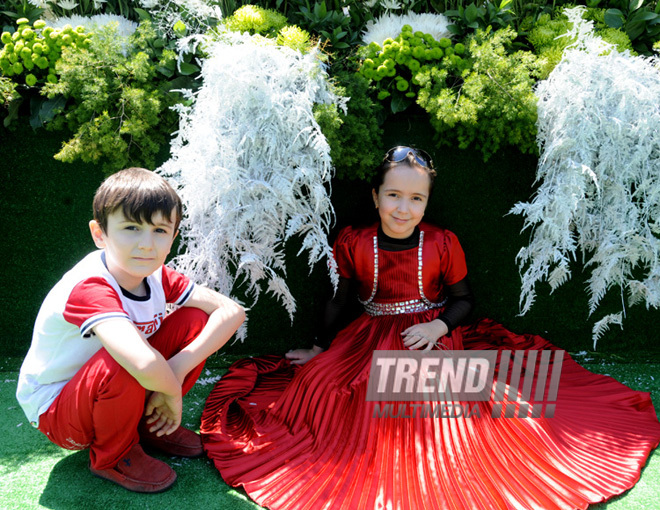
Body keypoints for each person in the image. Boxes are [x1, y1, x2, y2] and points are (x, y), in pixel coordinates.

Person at [200, 148, 660, 509]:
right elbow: (339, 299)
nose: (404, 208)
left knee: (428, 404)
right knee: (325, 389)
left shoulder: (442, 242)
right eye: (394, 196)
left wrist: (439, 326)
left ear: (427, 201)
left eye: (416, 198)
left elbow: (464, 301)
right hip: (369, 333)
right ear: (377, 196)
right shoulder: (353, 241)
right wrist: (320, 348)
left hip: (430, 332)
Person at [16, 167, 245, 493]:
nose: (146, 244)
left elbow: (231, 312)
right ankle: (113, 455)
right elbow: (141, 363)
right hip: (59, 411)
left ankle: (149, 426)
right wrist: (171, 394)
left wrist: (174, 375)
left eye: (159, 230)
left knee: (192, 320)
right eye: (131, 228)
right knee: (126, 359)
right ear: (100, 234)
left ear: (173, 236)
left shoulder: (156, 275)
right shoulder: (90, 285)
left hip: (116, 386)